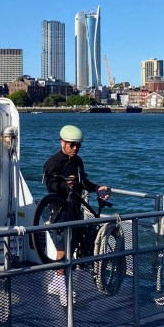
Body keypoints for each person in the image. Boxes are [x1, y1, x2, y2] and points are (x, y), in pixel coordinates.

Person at [43, 125, 111, 303]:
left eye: (78, 145)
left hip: (74, 210)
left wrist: (97, 188)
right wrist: (66, 186)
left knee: (71, 248)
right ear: (62, 142)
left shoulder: (78, 161)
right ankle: (64, 290)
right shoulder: (53, 162)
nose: (74, 148)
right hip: (58, 211)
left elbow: (83, 182)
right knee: (62, 250)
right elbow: (51, 185)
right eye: (71, 145)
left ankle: (56, 283)